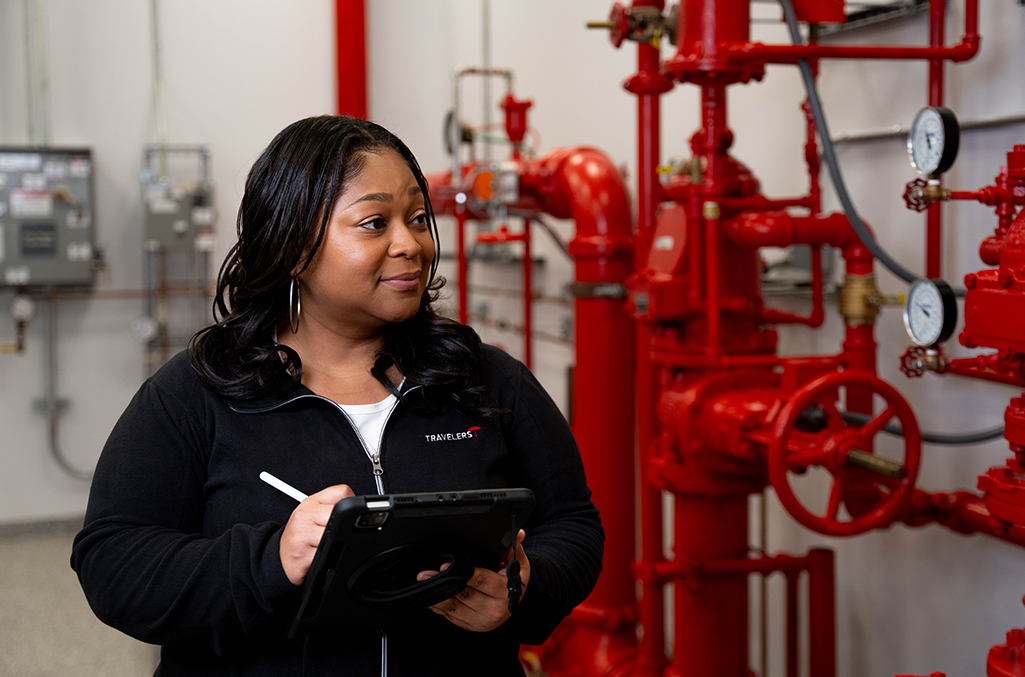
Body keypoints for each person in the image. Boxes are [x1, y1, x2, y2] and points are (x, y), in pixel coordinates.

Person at [71, 115, 604, 677]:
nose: (411, 245)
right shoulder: (196, 394)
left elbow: (572, 524)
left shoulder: (485, 379)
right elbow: (113, 561)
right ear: (294, 245)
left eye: (419, 218)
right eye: (375, 223)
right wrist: (271, 560)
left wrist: (523, 589)